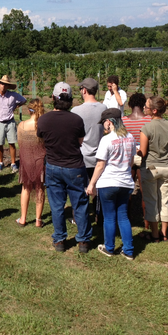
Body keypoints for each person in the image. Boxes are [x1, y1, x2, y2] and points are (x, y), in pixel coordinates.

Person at [37, 82, 92, 253]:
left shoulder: (43, 119)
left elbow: (42, 140)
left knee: (57, 205)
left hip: (53, 166)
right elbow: (80, 142)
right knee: (80, 204)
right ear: (70, 100)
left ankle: (60, 240)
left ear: (53, 98)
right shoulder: (76, 119)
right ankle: (83, 241)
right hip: (74, 166)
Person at [87, 108, 137, 260]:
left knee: (109, 217)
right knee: (123, 216)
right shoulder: (130, 137)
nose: (103, 126)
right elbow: (131, 162)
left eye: (103, 123)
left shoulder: (106, 140)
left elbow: (100, 165)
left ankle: (109, 247)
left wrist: (92, 184)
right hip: (126, 183)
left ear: (109, 122)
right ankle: (128, 250)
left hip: (108, 183)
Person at [138, 97, 168, 242]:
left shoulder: (146, 128)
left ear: (154, 110)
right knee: (165, 200)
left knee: (151, 200)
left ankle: (154, 234)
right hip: (167, 167)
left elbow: (142, 152)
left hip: (151, 167)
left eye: (146, 106)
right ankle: (164, 232)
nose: (144, 108)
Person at [71, 77, 107, 225]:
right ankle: (100, 216)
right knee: (98, 189)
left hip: (82, 157)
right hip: (100, 157)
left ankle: (79, 218)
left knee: (80, 190)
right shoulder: (103, 109)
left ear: (84, 90)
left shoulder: (76, 111)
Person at [123, 92, 152, 229]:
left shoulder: (124, 121)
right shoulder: (149, 120)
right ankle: (147, 223)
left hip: (128, 158)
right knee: (144, 192)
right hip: (144, 157)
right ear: (143, 104)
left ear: (130, 104)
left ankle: (126, 219)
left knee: (127, 189)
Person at [16, 98, 46, 228]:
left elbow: (20, 143)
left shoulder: (21, 125)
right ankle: (38, 220)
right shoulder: (43, 126)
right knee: (40, 189)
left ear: (29, 110)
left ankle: (23, 218)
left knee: (25, 188)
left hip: (26, 161)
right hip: (41, 160)